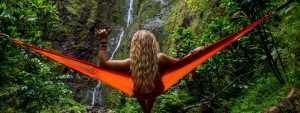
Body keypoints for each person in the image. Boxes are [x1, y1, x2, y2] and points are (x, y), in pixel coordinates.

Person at [95, 28, 204, 113]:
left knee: (139, 86)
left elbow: (104, 64)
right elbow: (181, 63)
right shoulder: (161, 59)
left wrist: (103, 40)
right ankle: (148, 111)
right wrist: (194, 52)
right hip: (156, 90)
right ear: (153, 44)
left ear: (134, 47)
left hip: (139, 93)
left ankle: (146, 111)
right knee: (151, 84)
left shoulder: (129, 63)